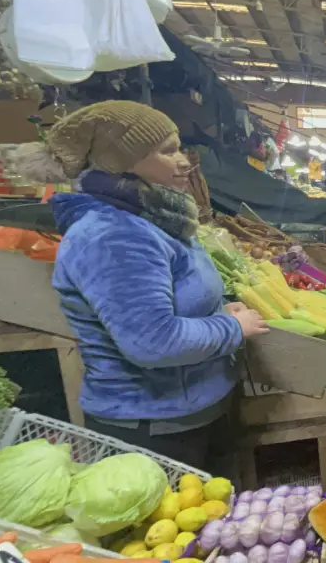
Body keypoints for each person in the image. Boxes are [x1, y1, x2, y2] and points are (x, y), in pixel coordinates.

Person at [16, 101, 270, 472]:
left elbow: (170, 302)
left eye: (179, 147)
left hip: (193, 413)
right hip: (154, 430)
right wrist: (231, 328)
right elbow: (152, 341)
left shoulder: (158, 217)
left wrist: (215, 312)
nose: (184, 160)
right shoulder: (113, 235)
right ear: (120, 162)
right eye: (167, 151)